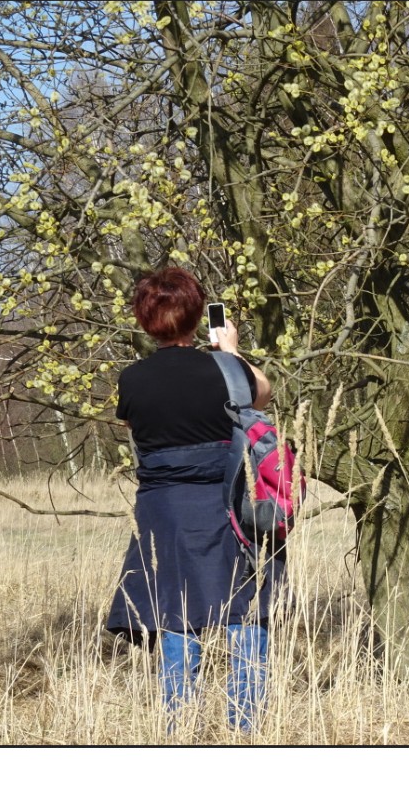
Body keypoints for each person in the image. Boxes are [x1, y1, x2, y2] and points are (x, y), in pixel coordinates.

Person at [105, 266, 285, 734]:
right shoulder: (227, 371)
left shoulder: (131, 379)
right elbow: (263, 394)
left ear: (145, 320)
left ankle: (179, 725)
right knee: (245, 607)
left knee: (175, 611)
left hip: (164, 514)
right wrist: (231, 351)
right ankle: (246, 727)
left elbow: (134, 428)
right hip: (228, 506)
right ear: (197, 315)